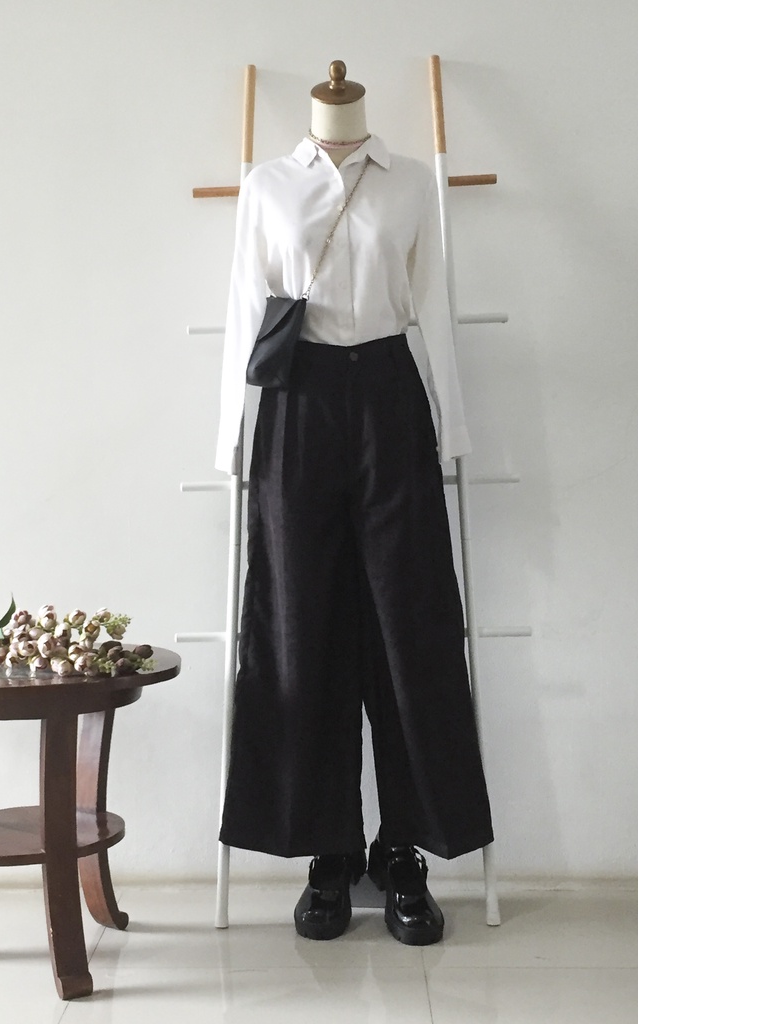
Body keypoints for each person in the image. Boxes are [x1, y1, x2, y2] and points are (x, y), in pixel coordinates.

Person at [214, 61, 493, 945]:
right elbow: (244, 307)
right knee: (298, 621)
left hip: (387, 393)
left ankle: (402, 848)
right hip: (295, 401)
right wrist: (229, 436)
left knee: (412, 622)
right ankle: (327, 850)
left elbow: (433, 306)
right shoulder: (269, 184)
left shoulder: (408, 183)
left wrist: (453, 426)